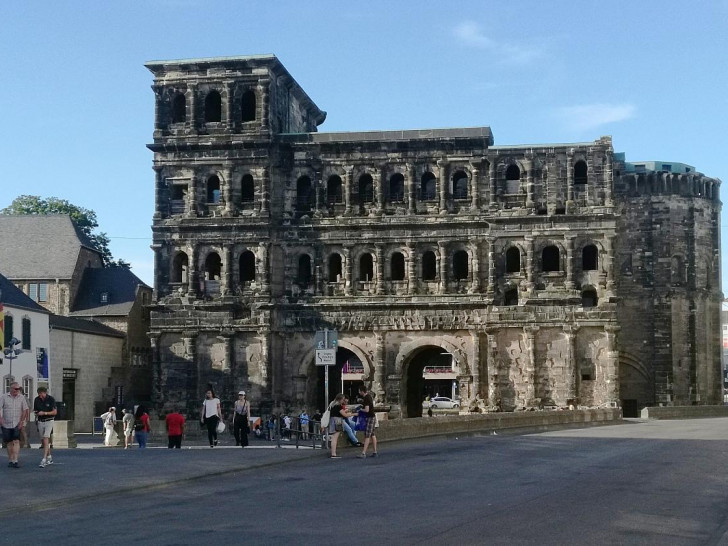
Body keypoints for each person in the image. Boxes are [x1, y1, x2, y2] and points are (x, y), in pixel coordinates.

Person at [0, 382, 29, 468]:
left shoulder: (21, 398)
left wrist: (21, 421)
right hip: (6, 423)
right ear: (11, 389)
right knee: (9, 443)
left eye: (18, 389)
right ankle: (10, 460)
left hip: (17, 423)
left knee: (16, 441)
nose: (17, 391)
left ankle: (15, 460)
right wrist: (0, 419)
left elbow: (24, 410)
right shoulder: (4, 397)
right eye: (16, 389)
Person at [33, 386, 57, 468]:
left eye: (41, 394)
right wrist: (37, 413)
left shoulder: (51, 399)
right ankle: (49, 457)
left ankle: (43, 459)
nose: (40, 396)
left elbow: (54, 412)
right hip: (40, 421)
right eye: (39, 394)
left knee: (46, 438)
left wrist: (45, 413)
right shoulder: (36, 400)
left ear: (45, 393)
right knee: (43, 441)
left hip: (49, 420)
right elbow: (35, 410)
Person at [327, 394, 355, 459]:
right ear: (340, 399)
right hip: (337, 421)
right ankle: (333, 454)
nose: (343, 401)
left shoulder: (332, 404)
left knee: (333, 437)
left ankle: (333, 453)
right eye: (343, 399)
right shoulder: (338, 406)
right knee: (335, 438)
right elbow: (345, 415)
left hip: (332, 420)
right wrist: (353, 414)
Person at [357, 385, 378, 458]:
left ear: (362, 391)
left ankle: (363, 453)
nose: (359, 392)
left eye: (359, 391)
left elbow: (367, 410)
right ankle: (375, 451)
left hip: (369, 417)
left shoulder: (366, 398)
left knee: (367, 435)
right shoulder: (369, 397)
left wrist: (360, 409)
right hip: (372, 416)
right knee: (372, 434)